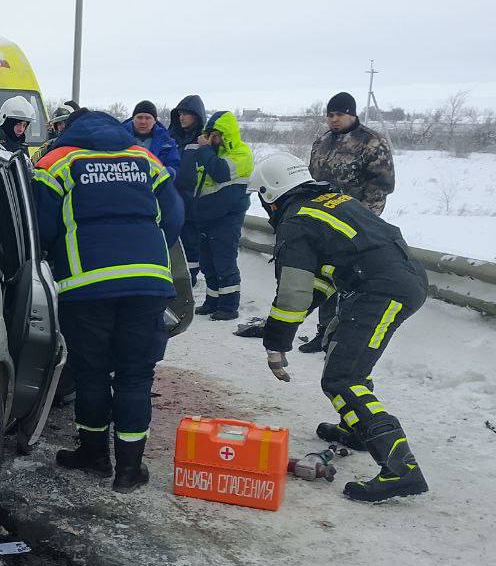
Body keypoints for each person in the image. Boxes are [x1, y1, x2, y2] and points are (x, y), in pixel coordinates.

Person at [252, 151, 428, 502]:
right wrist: (294, 319)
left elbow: (293, 292)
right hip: (393, 280)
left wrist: (276, 343)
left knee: (342, 378)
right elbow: (323, 277)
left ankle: (401, 468)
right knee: (344, 351)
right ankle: (358, 430)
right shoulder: (332, 201)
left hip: (380, 290)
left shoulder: (297, 221)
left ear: (269, 195)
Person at [33, 109, 185, 491]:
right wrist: (148, 252)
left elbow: (42, 225)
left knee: (91, 371)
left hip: (86, 287)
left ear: (69, 130)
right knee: (136, 374)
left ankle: (94, 454)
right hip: (147, 283)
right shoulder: (145, 159)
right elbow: (175, 215)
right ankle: (130, 470)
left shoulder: (57, 161)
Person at [298, 92, 397, 353]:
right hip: (324, 221)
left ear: (352, 114)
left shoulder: (371, 142)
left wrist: (365, 224)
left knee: (349, 281)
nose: (334, 119)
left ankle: (342, 337)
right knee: (326, 277)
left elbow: (380, 187)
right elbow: (313, 181)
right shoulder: (322, 142)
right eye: (330, 115)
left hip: (356, 224)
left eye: (339, 114)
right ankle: (323, 333)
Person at [177, 109, 253, 320]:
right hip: (207, 216)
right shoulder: (212, 154)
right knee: (208, 262)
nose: (211, 139)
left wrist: (204, 149)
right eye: (208, 135)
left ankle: (229, 306)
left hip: (227, 217)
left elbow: (220, 172)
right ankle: (212, 300)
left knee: (224, 261)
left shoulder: (240, 153)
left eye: (214, 135)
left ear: (224, 134)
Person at [169, 95, 206, 286]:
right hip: (172, 198)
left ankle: (189, 279)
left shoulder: (203, 139)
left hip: (192, 199)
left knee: (191, 242)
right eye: (180, 114)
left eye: (187, 114)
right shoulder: (172, 137)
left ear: (196, 116)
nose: (182, 117)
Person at [124, 100, 180, 174]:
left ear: (154, 121)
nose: (143, 122)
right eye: (139, 117)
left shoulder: (167, 142)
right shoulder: (119, 139)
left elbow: (174, 166)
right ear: (133, 119)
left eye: (148, 118)